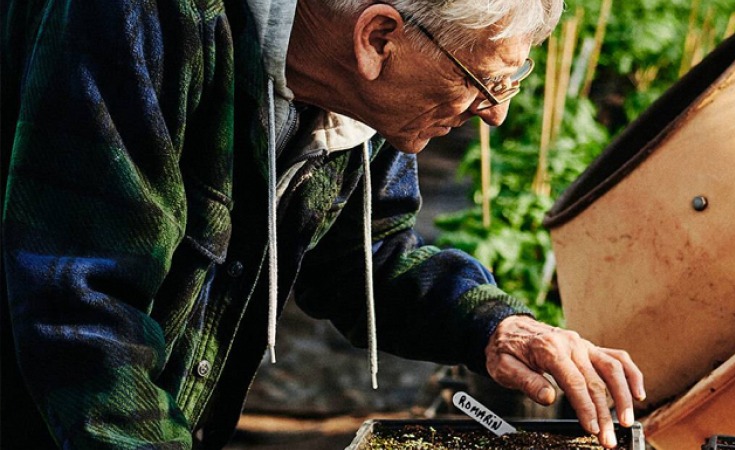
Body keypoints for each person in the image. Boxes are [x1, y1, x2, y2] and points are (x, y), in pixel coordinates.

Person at [0, 0, 646, 448]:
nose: (494, 115)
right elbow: (80, 304)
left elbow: (367, 251)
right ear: (378, 37)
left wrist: (495, 326)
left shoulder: (368, 98)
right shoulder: (139, 23)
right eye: (487, 82)